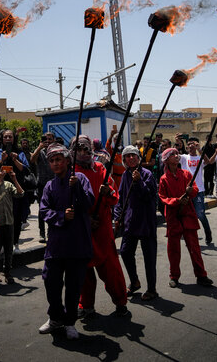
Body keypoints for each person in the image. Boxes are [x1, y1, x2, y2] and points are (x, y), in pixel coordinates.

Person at [38, 143, 94, 340]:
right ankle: (55, 318)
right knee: (50, 282)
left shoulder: (80, 178)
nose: (55, 163)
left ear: (67, 160)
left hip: (78, 243)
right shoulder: (49, 186)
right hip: (56, 245)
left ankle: (70, 322)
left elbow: (89, 204)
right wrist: (61, 216)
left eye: (58, 159)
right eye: (52, 161)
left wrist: (76, 187)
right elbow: (44, 211)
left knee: (73, 286)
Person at [71, 136, 129, 319]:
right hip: (81, 229)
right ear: (73, 151)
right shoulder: (71, 173)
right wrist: (86, 219)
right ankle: (86, 305)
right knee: (84, 273)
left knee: (110, 269)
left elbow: (114, 196)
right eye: (79, 149)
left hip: (102, 228)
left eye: (86, 149)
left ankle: (120, 301)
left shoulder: (100, 168)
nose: (83, 152)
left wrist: (107, 192)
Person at [158, 148, 214, 288]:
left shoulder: (187, 174)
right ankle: (174, 276)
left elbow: (194, 189)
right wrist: (176, 201)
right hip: (173, 217)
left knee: (194, 247)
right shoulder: (164, 179)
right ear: (166, 160)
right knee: (174, 249)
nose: (176, 156)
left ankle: (201, 275)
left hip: (188, 214)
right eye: (173, 155)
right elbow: (163, 197)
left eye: (177, 154)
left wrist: (191, 191)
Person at [114, 145, 158, 301]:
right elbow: (121, 198)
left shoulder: (146, 174)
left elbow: (148, 196)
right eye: (127, 156)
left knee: (149, 257)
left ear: (138, 158)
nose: (131, 158)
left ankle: (152, 289)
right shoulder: (125, 176)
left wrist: (139, 181)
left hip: (146, 221)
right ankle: (134, 281)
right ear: (124, 160)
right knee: (125, 252)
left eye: (133, 155)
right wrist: (117, 217)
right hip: (130, 222)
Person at [0, 129, 31, 254]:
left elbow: (25, 169)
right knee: (0, 218)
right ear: (2, 139)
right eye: (5, 137)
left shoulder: (19, 152)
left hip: (15, 187)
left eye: (10, 137)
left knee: (15, 217)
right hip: (0, 188)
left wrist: (15, 159)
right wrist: (1, 160)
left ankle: (15, 243)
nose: (8, 139)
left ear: (14, 139)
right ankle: (1, 245)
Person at [0, 161, 24, 284]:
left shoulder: (7, 185)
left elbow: (20, 193)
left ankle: (7, 272)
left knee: (8, 250)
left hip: (9, 222)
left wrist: (14, 179)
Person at [179, 137, 213, 245]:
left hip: (198, 190)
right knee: (186, 215)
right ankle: (190, 237)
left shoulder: (199, 158)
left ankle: (208, 233)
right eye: (188, 144)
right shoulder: (184, 158)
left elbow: (208, 162)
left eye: (192, 144)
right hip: (186, 191)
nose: (190, 146)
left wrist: (200, 149)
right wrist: (178, 142)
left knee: (200, 214)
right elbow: (175, 155)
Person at [31, 132, 56, 243]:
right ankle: (42, 233)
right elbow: (32, 160)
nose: (48, 141)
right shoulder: (40, 152)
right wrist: (39, 147)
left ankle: (52, 231)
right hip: (42, 184)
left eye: (50, 139)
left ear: (54, 140)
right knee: (42, 210)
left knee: (54, 208)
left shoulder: (56, 152)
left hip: (55, 184)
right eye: (45, 139)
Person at [105, 126, 126, 190]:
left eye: (119, 139)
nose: (117, 140)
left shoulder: (124, 150)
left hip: (123, 176)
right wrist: (111, 135)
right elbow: (107, 146)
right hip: (115, 177)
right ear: (113, 140)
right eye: (115, 139)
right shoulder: (112, 151)